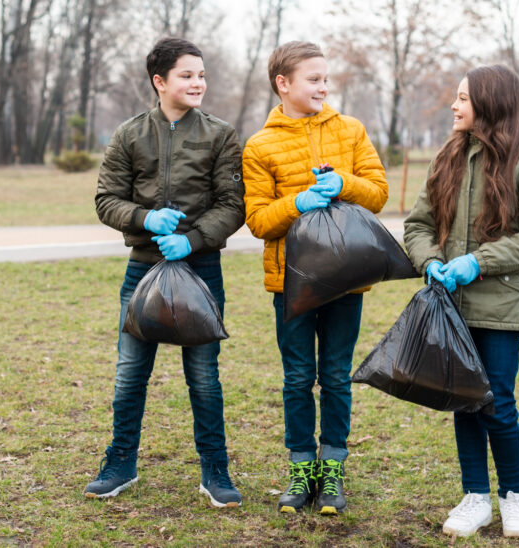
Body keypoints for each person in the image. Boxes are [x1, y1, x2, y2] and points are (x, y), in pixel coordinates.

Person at [87, 37, 246, 508]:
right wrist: (144, 218)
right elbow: (105, 200)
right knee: (130, 373)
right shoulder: (129, 135)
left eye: (201, 74)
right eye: (187, 75)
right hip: (142, 270)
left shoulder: (220, 135)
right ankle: (120, 462)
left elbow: (232, 204)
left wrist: (193, 240)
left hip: (201, 272)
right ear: (160, 81)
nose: (198, 82)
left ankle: (215, 469)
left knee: (203, 376)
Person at [404, 65, 519, 538]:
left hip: (503, 307)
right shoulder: (446, 158)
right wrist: (430, 260)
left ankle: (515, 498)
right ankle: (475, 497)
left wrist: (479, 261)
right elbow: (418, 225)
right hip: (451, 307)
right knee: (464, 400)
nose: (454, 106)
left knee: (498, 402)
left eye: (463, 98)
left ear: (489, 104)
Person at [243, 41, 388, 515]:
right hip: (293, 285)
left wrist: (344, 183)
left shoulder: (351, 130)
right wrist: (299, 202)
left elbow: (379, 193)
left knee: (336, 377)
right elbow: (260, 221)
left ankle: (333, 471)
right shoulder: (260, 145)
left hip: (346, 280)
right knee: (298, 377)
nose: (324, 87)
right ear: (283, 84)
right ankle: (301, 467)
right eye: (314, 79)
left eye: (326, 79)